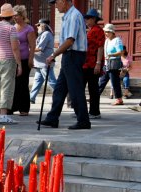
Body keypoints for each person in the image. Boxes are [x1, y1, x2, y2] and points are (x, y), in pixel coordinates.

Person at [40, 0, 90, 130]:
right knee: (60, 88)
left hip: (74, 55)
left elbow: (70, 40)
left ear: (63, 1)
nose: (55, 6)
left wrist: (53, 55)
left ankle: (83, 120)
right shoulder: (68, 15)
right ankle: (52, 118)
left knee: (75, 89)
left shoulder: (74, 15)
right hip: (69, 55)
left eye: (56, 3)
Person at [0, 3, 22, 125]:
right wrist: (19, 64)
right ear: (12, 16)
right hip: (7, 59)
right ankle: (3, 115)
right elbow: (15, 48)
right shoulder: (11, 28)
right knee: (7, 86)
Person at [10, 5, 35, 116]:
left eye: (16, 16)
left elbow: (32, 46)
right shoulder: (12, 27)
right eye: (13, 16)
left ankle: (24, 108)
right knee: (13, 84)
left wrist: (31, 59)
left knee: (23, 84)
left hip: (24, 59)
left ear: (22, 15)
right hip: (13, 59)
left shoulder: (29, 29)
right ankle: (12, 106)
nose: (14, 18)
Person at [83, 8, 104, 119]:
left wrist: (98, 63)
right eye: (86, 18)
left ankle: (95, 112)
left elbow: (100, 47)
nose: (86, 20)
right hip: (86, 63)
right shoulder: (90, 30)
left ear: (94, 19)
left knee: (93, 88)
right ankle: (82, 111)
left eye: (88, 18)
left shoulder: (98, 30)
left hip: (93, 63)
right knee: (82, 87)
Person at [29, 19, 57, 104]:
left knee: (51, 81)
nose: (37, 27)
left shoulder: (46, 34)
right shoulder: (43, 34)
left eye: (38, 25)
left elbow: (40, 48)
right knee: (37, 81)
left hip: (45, 63)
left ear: (43, 25)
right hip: (40, 63)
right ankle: (31, 98)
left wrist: (29, 50)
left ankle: (60, 95)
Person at [98, 24, 124, 105]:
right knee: (101, 82)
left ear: (112, 32)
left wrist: (111, 55)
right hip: (106, 64)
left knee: (115, 82)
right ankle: (95, 97)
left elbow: (121, 52)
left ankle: (119, 99)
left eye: (107, 32)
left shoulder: (117, 40)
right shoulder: (107, 41)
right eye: (105, 32)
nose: (106, 33)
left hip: (113, 64)